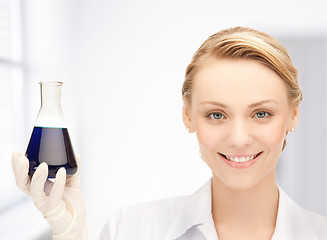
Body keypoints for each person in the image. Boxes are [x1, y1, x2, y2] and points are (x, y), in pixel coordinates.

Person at [12, 27, 327, 240]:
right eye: (216, 114)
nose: (239, 137)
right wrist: (72, 235)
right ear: (188, 117)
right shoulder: (132, 230)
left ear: (292, 117)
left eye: (262, 114)